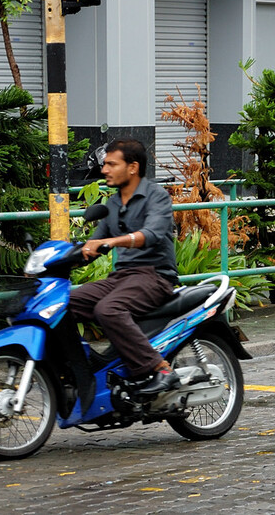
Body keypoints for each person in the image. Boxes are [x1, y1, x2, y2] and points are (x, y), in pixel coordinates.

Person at [70, 138, 181, 397]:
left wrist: (113, 241)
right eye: (104, 164)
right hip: (122, 277)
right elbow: (94, 245)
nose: (104, 170)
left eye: (111, 164)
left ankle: (159, 369)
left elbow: (151, 234)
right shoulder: (112, 204)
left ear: (132, 167)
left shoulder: (157, 196)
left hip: (155, 276)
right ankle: (81, 371)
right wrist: (60, 258)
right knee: (65, 303)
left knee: (109, 309)